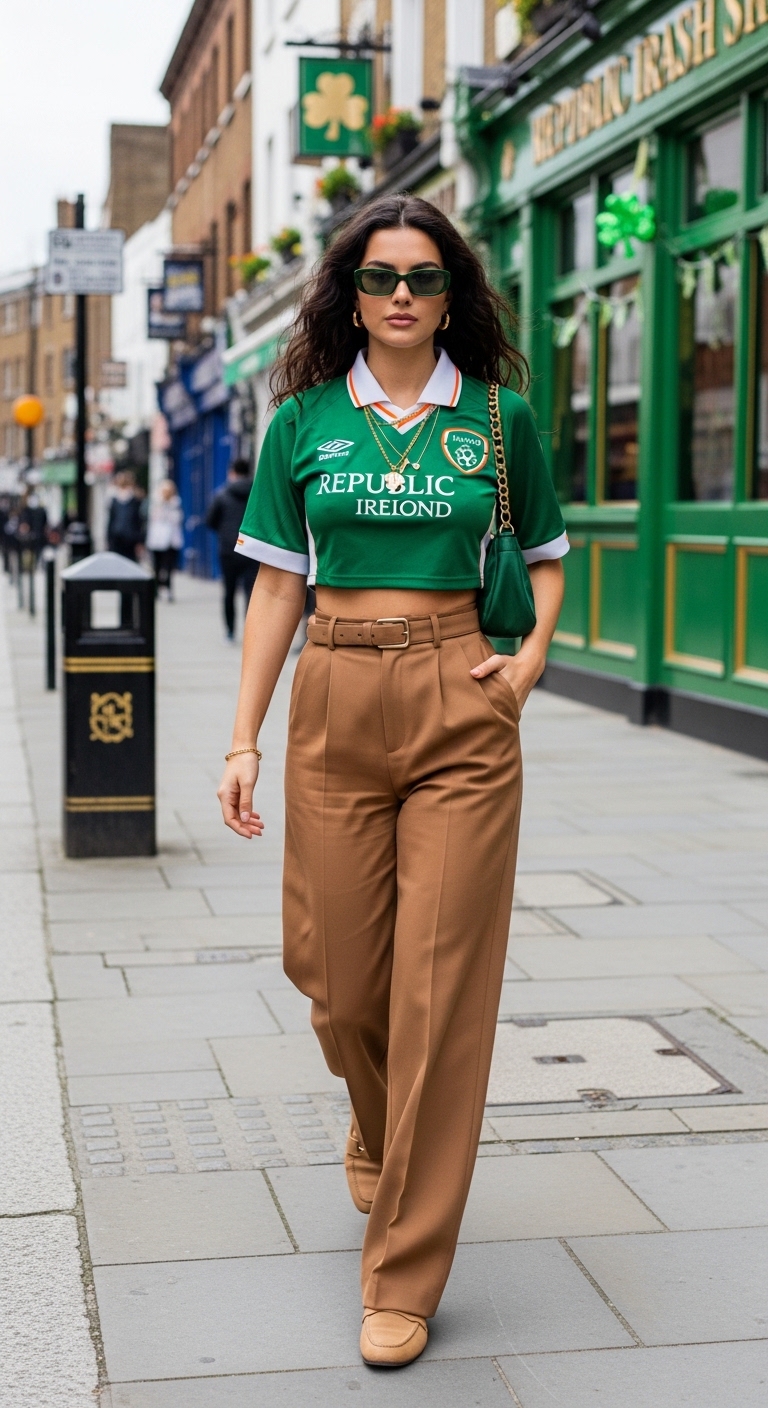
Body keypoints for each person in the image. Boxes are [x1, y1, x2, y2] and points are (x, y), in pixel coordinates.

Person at [217, 195, 567, 1367]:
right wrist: (242, 736)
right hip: (334, 692)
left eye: (423, 277)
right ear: (349, 295)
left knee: (438, 994)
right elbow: (274, 586)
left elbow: (548, 560)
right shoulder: (304, 422)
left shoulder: (500, 418)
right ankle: (375, 1120)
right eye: (379, 278)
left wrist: (522, 668)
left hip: (461, 697)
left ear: (453, 294)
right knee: (338, 982)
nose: (402, 296)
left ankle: (405, 1269)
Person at [206, 459, 257, 639]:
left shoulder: (222, 494)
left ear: (233, 472)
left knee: (229, 591)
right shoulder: (257, 493)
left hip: (228, 549)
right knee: (252, 593)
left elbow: (210, 521)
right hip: (252, 549)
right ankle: (251, 632)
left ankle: (230, 631)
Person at [145, 478, 183, 599]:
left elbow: (177, 520)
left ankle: (168, 589)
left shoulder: (176, 503)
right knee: (157, 566)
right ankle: (156, 589)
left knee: (169, 567)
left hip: (171, 540)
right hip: (157, 540)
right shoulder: (156, 503)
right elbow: (153, 518)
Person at [107, 471, 145, 561]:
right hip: (125, 537)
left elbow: (111, 521)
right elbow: (139, 521)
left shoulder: (133, 500)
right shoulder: (134, 499)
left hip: (123, 537)